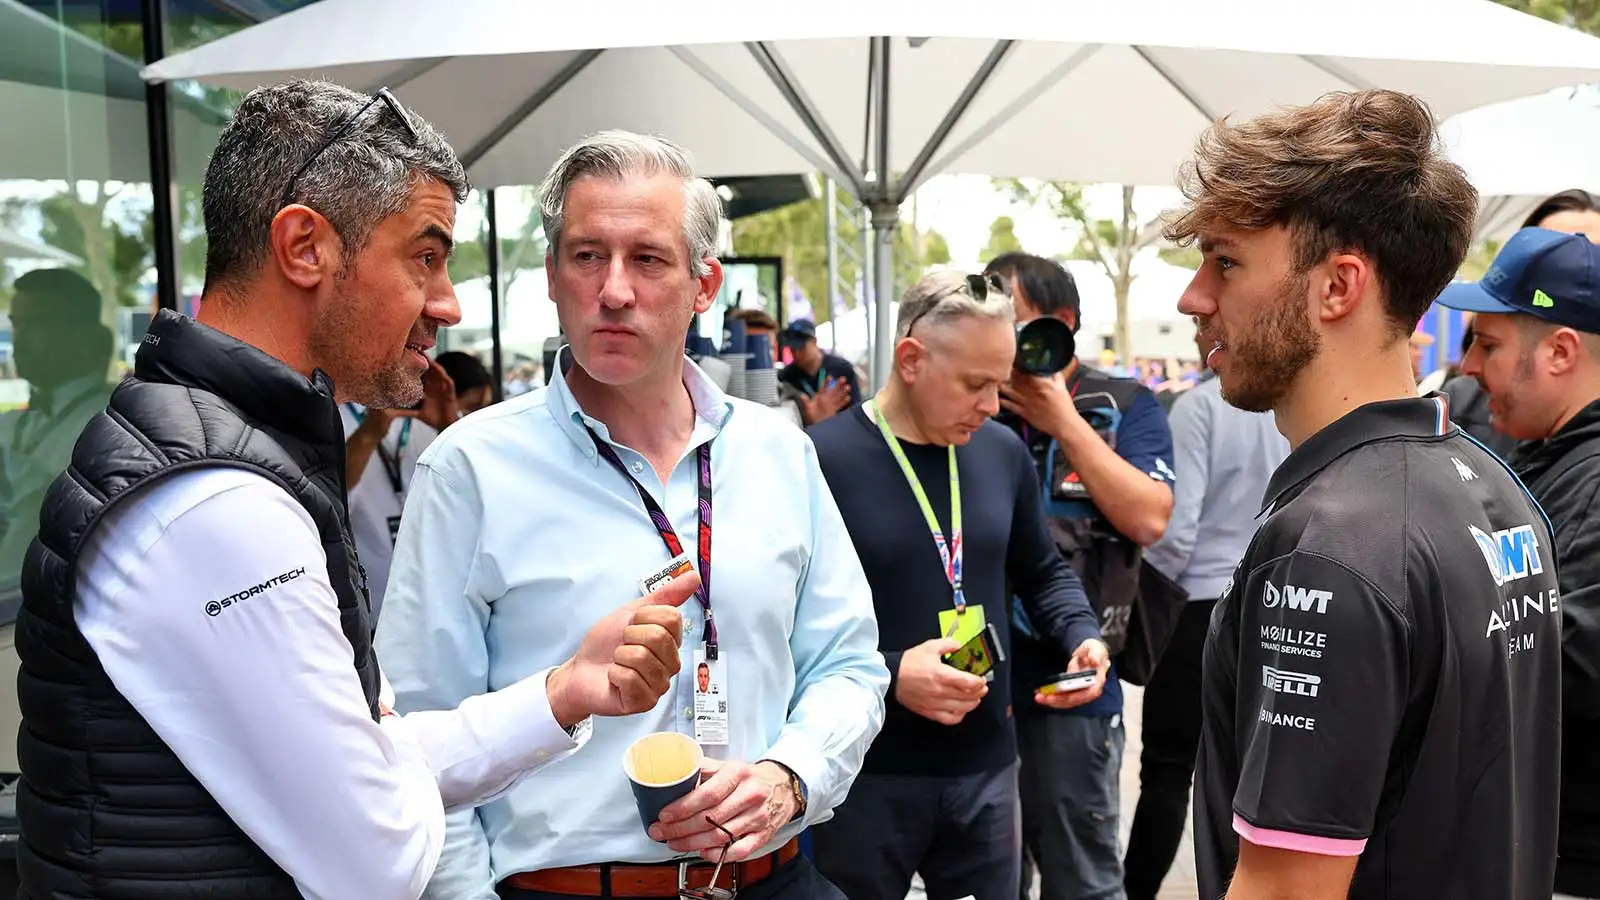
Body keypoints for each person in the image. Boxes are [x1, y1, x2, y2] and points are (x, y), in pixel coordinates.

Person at [10, 81, 694, 900]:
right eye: (426, 256)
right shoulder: (218, 507)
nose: (447, 301)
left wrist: (563, 692)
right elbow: (378, 862)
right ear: (305, 248)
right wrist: (381, 754)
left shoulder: (216, 453)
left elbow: (365, 793)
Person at [375, 129, 888, 900]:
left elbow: (848, 666)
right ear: (551, 275)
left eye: (647, 259)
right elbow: (416, 737)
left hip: (773, 877)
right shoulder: (469, 469)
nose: (614, 289)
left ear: (703, 284)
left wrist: (792, 775)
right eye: (587, 256)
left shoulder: (780, 455)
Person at [1167, 88, 1561, 900]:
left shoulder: (1331, 546)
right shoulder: (1498, 489)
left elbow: (1284, 888)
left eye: (1226, 260)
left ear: (1339, 287)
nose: (1194, 297)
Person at [806, 270, 1109, 900]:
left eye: (999, 385)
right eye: (975, 384)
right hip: (860, 772)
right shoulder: (819, 459)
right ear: (911, 359)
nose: (993, 405)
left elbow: (1041, 571)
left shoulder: (1000, 453)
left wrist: (1080, 634)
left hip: (986, 768)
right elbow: (780, 626)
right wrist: (890, 673)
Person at [982, 252, 1176, 900]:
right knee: (992, 879)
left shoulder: (1123, 404)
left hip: (1077, 681)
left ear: (1059, 325)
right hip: (976, 677)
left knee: (1082, 880)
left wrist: (1060, 419)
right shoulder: (972, 405)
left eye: (1013, 318)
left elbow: (1150, 517)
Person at [1434, 226, 1600, 900]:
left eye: (1488, 344)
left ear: (1560, 351)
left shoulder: (1590, 477)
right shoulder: (1540, 452)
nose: (1468, 366)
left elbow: (1576, 664)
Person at [1123, 327, 1288, 900]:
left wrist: (1150, 593)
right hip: (1273, 605)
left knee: (1167, 771)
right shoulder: (1286, 406)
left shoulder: (1198, 407)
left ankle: (1138, 889)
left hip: (1196, 605)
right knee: (1249, 779)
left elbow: (1176, 527)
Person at [0, 269, 117, 591]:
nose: (19, 338)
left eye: (38, 324)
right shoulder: (16, 424)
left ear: (85, 336)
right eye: (17, 324)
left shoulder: (110, 425)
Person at [780, 319, 859, 425]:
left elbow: (856, 407)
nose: (797, 354)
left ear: (814, 341)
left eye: (801, 348)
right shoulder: (786, 376)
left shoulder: (841, 368)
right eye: (792, 349)